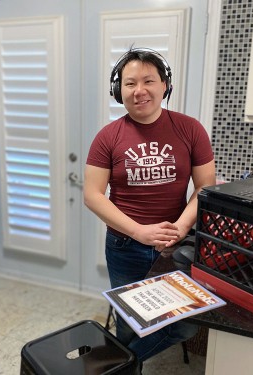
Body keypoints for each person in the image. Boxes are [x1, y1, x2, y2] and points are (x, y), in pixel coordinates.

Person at [83, 47, 216, 364]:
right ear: (119, 90)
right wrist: (139, 231)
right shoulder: (108, 137)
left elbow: (206, 186)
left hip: (175, 245)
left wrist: (181, 227)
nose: (139, 91)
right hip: (125, 244)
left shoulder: (190, 129)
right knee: (130, 325)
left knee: (184, 325)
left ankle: (118, 367)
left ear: (164, 85)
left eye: (148, 81)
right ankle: (125, 367)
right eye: (129, 83)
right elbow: (93, 194)